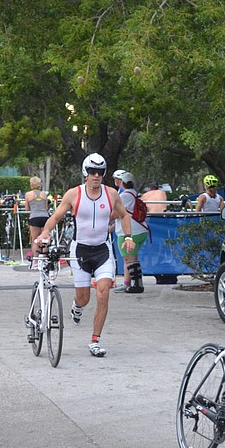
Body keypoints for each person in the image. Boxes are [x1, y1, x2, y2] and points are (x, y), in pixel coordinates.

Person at [37, 153, 135, 357]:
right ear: (85, 173)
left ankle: (95, 340)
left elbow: (124, 215)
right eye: (92, 172)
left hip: (102, 250)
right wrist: (45, 233)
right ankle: (77, 305)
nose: (96, 176)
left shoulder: (111, 194)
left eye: (100, 172)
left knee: (104, 292)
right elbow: (55, 216)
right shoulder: (73, 194)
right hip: (80, 250)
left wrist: (127, 236)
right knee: (84, 297)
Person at [113, 171, 149, 294]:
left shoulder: (124, 196)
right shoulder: (134, 194)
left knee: (129, 259)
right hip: (141, 230)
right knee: (132, 258)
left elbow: (116, 214)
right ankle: (129, 284)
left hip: (129, 232)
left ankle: (137, 285)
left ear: (120, 181)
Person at [24, 176, 49, 269]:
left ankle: (35, 261)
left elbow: (27, 208)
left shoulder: (28, 194)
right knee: (45, 239)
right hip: (45, 217)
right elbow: (46, 207)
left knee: (35, 239)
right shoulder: (44, 194)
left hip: (34, 217)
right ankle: (45, 260)